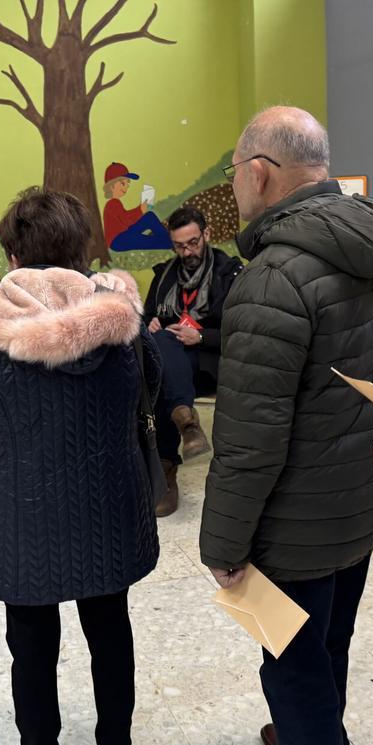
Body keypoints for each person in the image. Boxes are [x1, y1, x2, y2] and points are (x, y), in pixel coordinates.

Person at [199, 106, 373, 745]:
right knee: (328, 645)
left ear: (260, 174)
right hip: (359, 500)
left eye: (235, 174)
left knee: (290, 669)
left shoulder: (270, 279)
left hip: (289, 530)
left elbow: (247, 439)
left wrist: (222, 543)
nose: (235, 188)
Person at [0, 187, 161, 745]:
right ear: (82, 246)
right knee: (110, 630)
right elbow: (150, 394)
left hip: (22, 514)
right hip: (107, 506)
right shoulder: (120, 322)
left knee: (31, 647)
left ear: (12, 254)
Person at [141, 206, 242, 517]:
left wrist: (199, 338)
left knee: (160, 376)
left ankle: (166, 467)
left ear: (206, 235)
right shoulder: (163, 276)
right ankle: (185, 421)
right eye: (179, 246)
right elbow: (145, 319)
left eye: (193, 243)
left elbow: (242, 331)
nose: (187, 252)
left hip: (209, 363)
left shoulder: (230, 274)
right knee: (160, 346)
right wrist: (151, 326)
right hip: (173, 365)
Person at [101, 162, 171, 251]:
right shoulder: (112, 204)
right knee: (153, 240)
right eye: (123, 183)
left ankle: (167, 239)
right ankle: (169, 242)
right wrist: (140, 210)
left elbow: (125, 219)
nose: (126, 187)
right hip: (118, 240)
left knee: (149, 217)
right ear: (111, 186)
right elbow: (126, 220)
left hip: (123, 235)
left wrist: (141, 210)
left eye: (128, 183)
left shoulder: (115, 203)